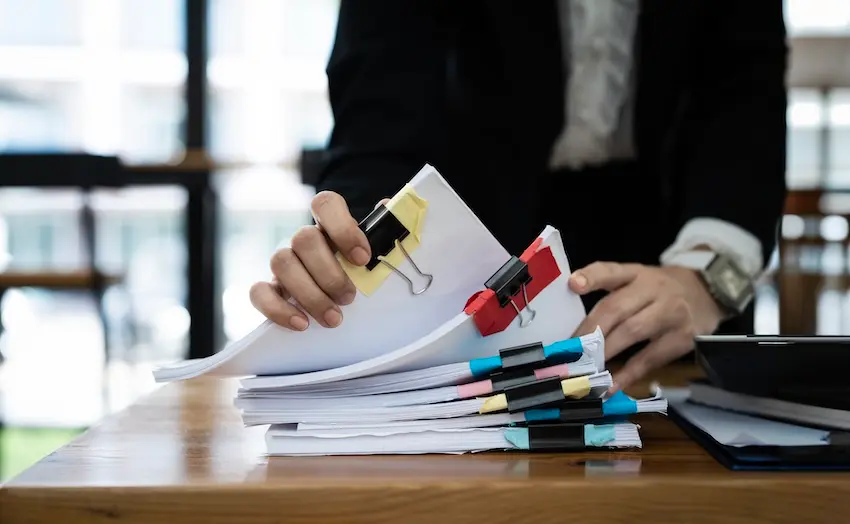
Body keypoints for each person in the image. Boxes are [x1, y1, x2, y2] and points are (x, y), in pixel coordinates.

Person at [250, 0, 788, 391]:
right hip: (467, 247)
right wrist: (356, 246)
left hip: (671, 243)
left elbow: (743, 94)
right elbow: (381, 101)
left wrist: (703, 277)